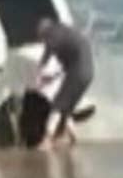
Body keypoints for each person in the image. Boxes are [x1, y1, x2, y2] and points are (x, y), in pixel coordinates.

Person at [35, 17, 94, 148]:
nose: (43, 41)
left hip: (77, 72)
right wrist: (51, 77)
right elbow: (71, 63)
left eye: (42, 37)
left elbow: (46, 56)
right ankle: (72, 137)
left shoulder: (52, 35)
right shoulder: (66, 32)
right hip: (89, 73)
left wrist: (38, 76)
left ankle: (47, 140)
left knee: (57, 105)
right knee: (66, 108)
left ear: (45, 32)